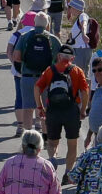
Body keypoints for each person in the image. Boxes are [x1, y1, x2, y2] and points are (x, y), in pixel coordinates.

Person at [34, 46, 88, 177]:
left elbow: (37, 87)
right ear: (72, 58)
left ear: (59, 56)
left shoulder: (50, 70)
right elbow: (85, 92)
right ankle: (68, 173)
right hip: (71, 111)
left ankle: (52, 159)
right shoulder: (77, 71)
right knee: (72, 144)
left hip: (53, 110)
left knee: (52, 142)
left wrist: (40, 107)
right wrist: (82, 110)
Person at [8, 12, 60, 133]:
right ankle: (45, 136)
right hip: (46, 78)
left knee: (28, 108)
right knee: (44, 109)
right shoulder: (53, 39)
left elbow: (16, 56)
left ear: (34, 22)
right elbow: (61, 59)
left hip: (27, 77)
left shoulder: (24, 36)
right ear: (47, 24)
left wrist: (24, 66)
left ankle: (28, 136)